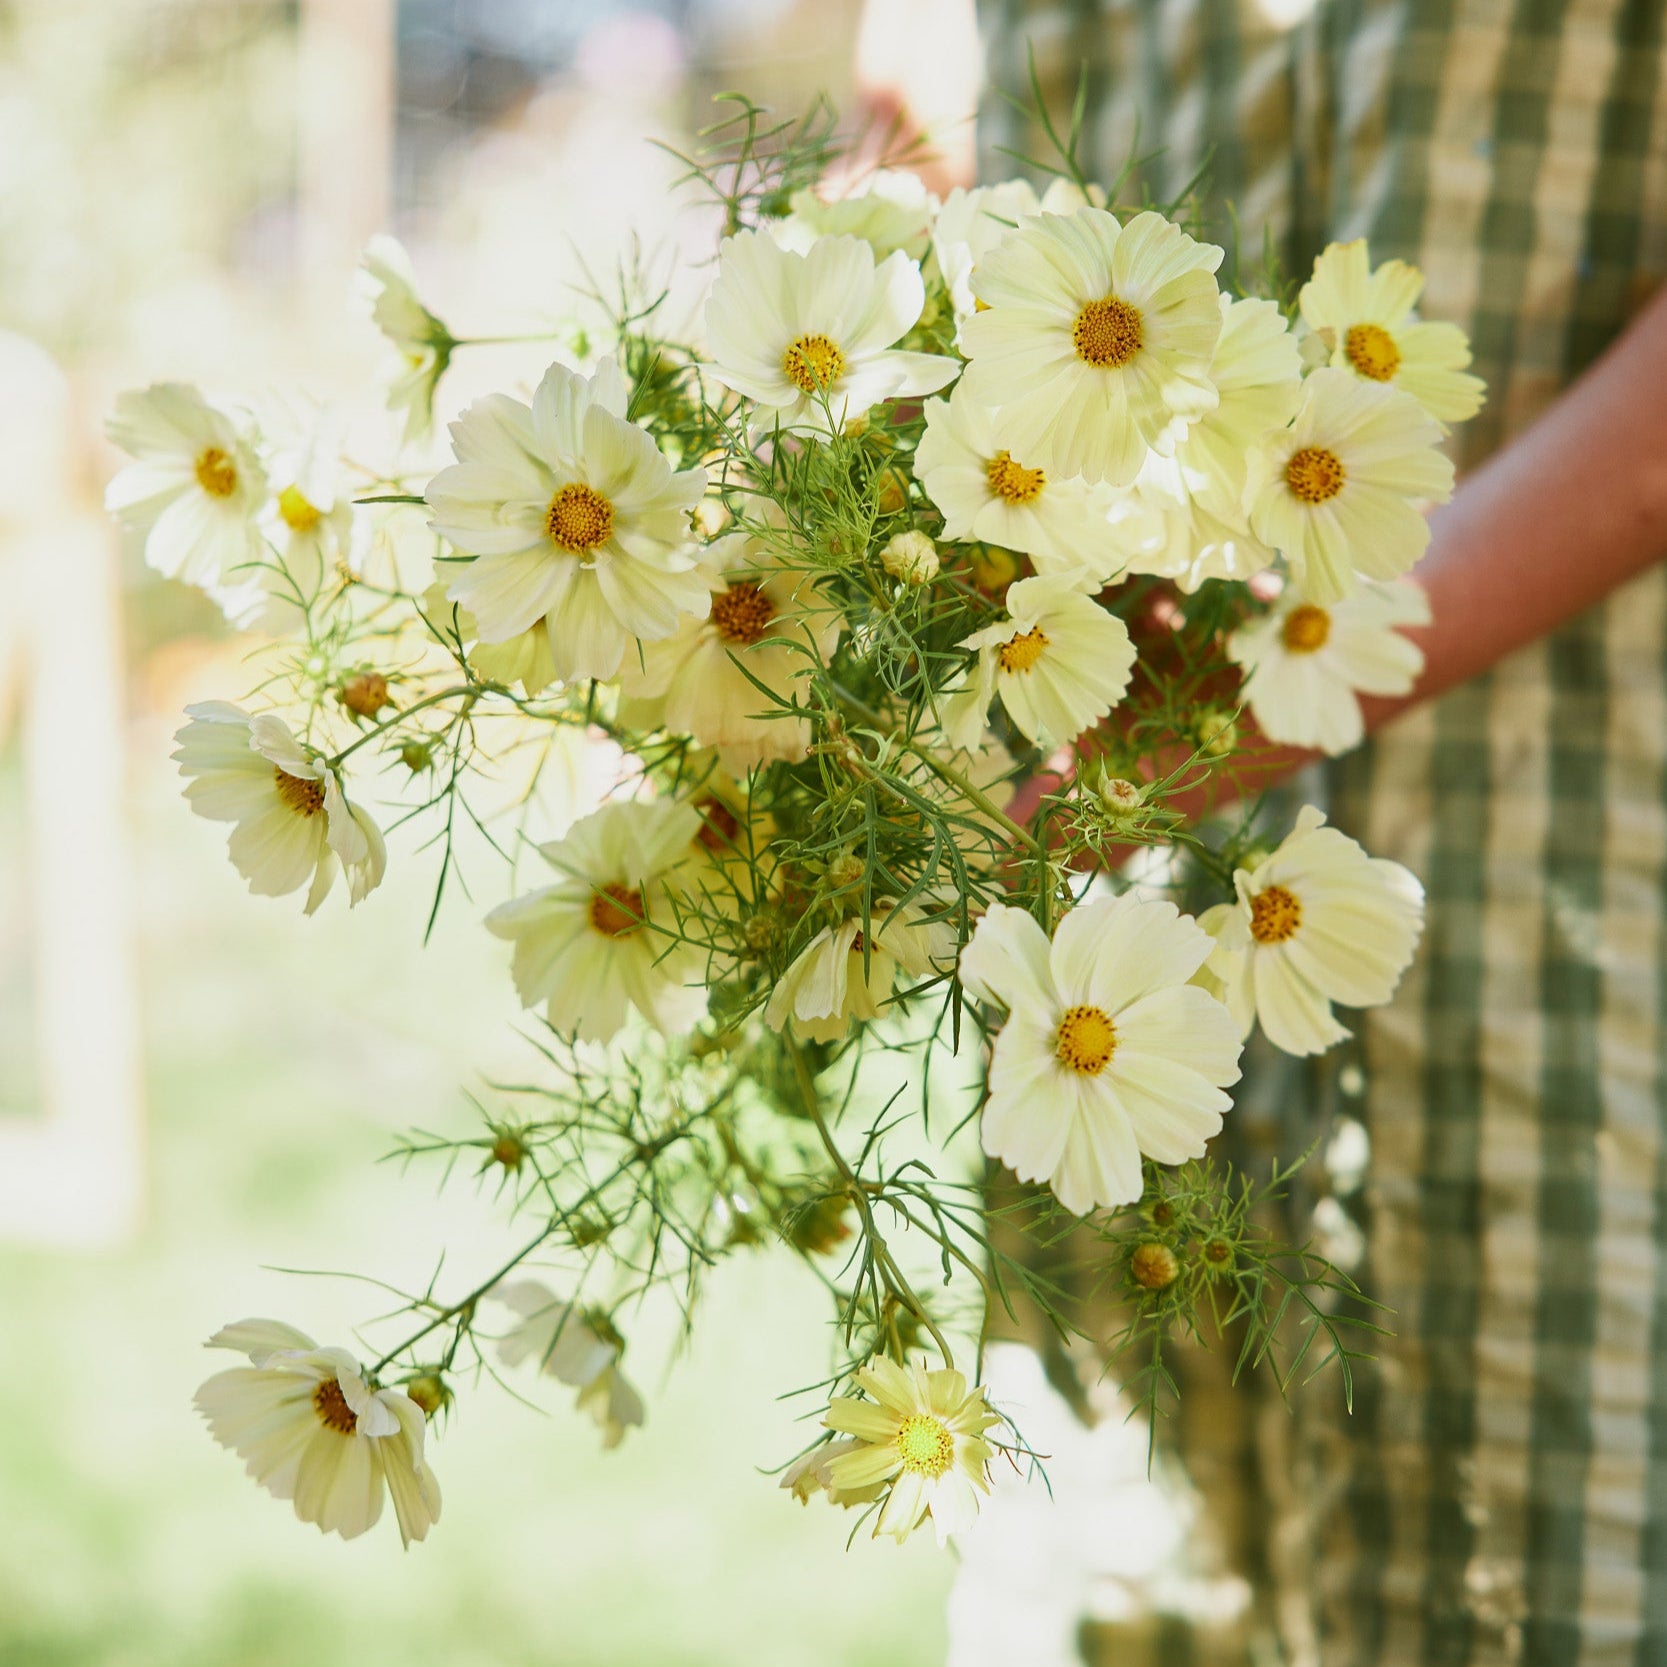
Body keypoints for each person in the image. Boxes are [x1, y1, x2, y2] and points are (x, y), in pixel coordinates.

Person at [862, 1, 1667, 1661]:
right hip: (1115, 915)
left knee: (1529, 1572)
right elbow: (917, 136)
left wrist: (1289, 667)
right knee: (1135, 1570)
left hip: (1562, 869)